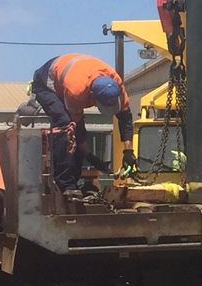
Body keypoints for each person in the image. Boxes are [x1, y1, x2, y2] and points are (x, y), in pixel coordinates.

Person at [31, 54, 135, 195]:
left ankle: (74, 182)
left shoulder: (116, 84)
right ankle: (66, 185)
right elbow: (76, 130)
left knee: (73, 131)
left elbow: (125, 118)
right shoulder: (76, 91)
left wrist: (128, 152)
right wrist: (90, 156)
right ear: (92, 95)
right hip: (46, 83)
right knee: (65, 125)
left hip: (71, 71)